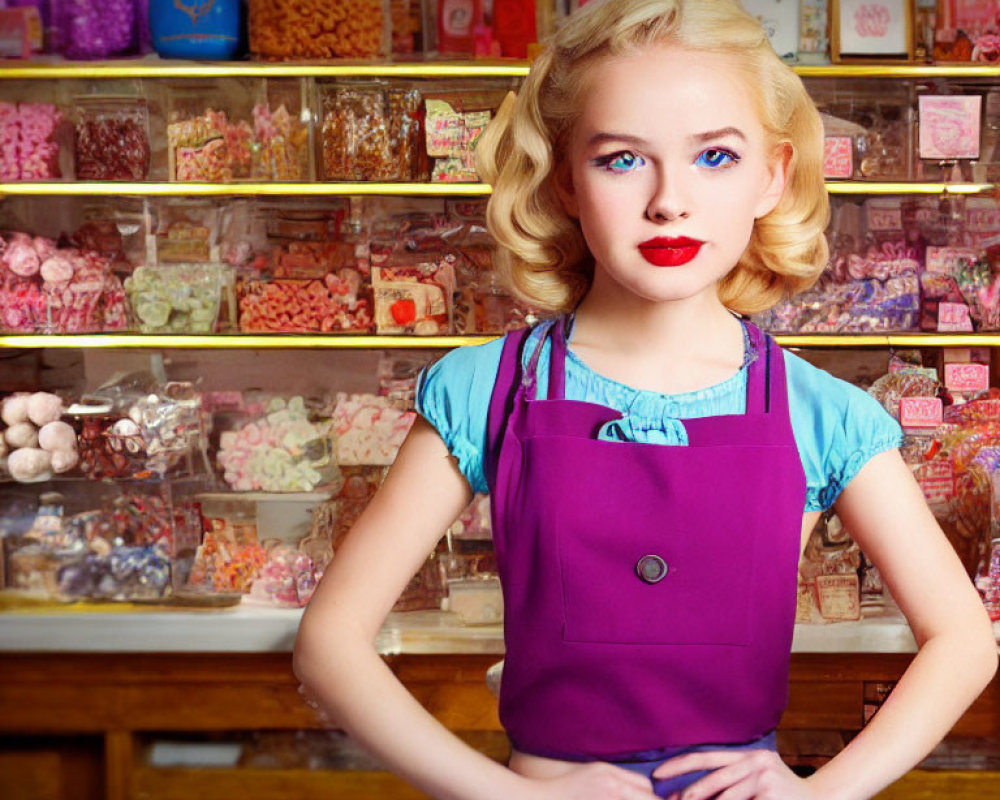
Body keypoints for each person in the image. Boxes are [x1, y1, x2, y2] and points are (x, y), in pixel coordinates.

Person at [294, 0, 998, 797]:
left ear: (774, 176)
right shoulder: (488, 390)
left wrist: (823, 792)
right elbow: (330, 642)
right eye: (623, 159)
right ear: (564, 178)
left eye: (715, 158)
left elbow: (965, 640)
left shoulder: (820, 410)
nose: (669, 200)